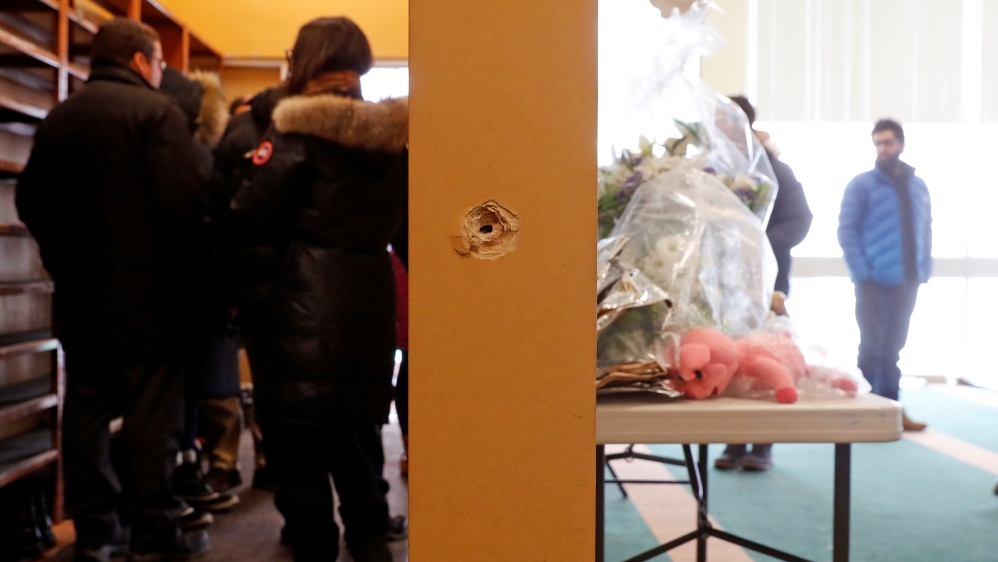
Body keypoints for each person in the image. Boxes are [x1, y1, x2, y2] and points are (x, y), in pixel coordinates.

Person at [15, 18, 211, 561]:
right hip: (151, 301)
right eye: (159, 63)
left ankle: (96, 533)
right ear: (140, 62)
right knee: (152, 422)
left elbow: (31, 201)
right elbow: (185, 207)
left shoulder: (60, 118)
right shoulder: (158, 115)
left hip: (80, 297)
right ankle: (156, 534)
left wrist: (63, 261)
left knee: (85, 415)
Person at [228, 17, 408, 562]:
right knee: (352, 438)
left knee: (298, 445)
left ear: (305, 60)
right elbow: (404, 231)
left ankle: (313, 547)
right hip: (368, 306)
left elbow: (247, 216)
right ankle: (372, 542)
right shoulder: (391, 141)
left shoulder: (292, 132)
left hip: (298, 309)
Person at [714, 96, 814, 471]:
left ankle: (764, 445)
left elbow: (800, 219)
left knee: (767, 358)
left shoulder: (775, 168)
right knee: (730, 357)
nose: (716, 124)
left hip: (767, 283)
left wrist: (756, 246)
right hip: (723, 284)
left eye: (721, 118)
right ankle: (733, 441)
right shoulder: (715, 165)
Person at [838, 119, 931, 432]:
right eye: (878, 143)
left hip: (908, 280)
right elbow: (846, 230)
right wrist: (861, 271)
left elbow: (925, 229)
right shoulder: (861, 185)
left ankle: (892, 410)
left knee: (894, 349)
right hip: (873, 281)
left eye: (888, 142)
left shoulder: (917, 185)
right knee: (872, 348)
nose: (883, 149)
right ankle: (866, 412)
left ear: (901, 144)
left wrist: (924, 269)